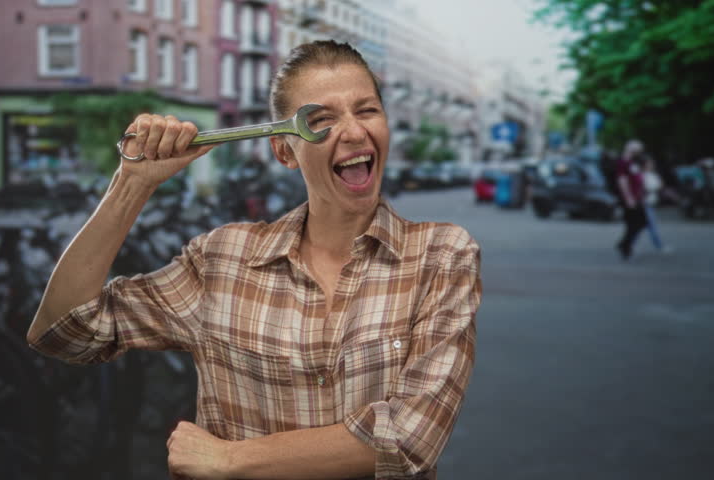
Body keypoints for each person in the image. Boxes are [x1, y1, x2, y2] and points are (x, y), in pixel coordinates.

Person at [26, 41, 481, 480]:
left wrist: (227, 460)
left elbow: (408, 438)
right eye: (321, 119)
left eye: (367, 110)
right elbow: (65, 331)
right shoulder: (221, 259)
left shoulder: (441, 256)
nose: (355, 131)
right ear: (285, 149)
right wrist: (132, 184)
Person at [615, 139, 647, 260]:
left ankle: (624, 244)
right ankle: (625, 246)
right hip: (630, 198)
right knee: (635, 222)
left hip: (637, 197)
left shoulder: (632, 162)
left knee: (638, 223)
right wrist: (628, 197)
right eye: (638, 149)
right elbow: (622, 180)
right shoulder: (623, 162)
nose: (639, 151)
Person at [636, 155, 673, 253]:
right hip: (644, 204)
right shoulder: (641, 175)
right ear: (644, 164)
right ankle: (659, 245)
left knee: (640, 227)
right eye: (650, 163)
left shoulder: (653, 175)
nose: (652, 165)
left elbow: (660, 186)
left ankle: (629, 245)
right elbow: (643, 189)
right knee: (651, 226)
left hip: (650, 204)